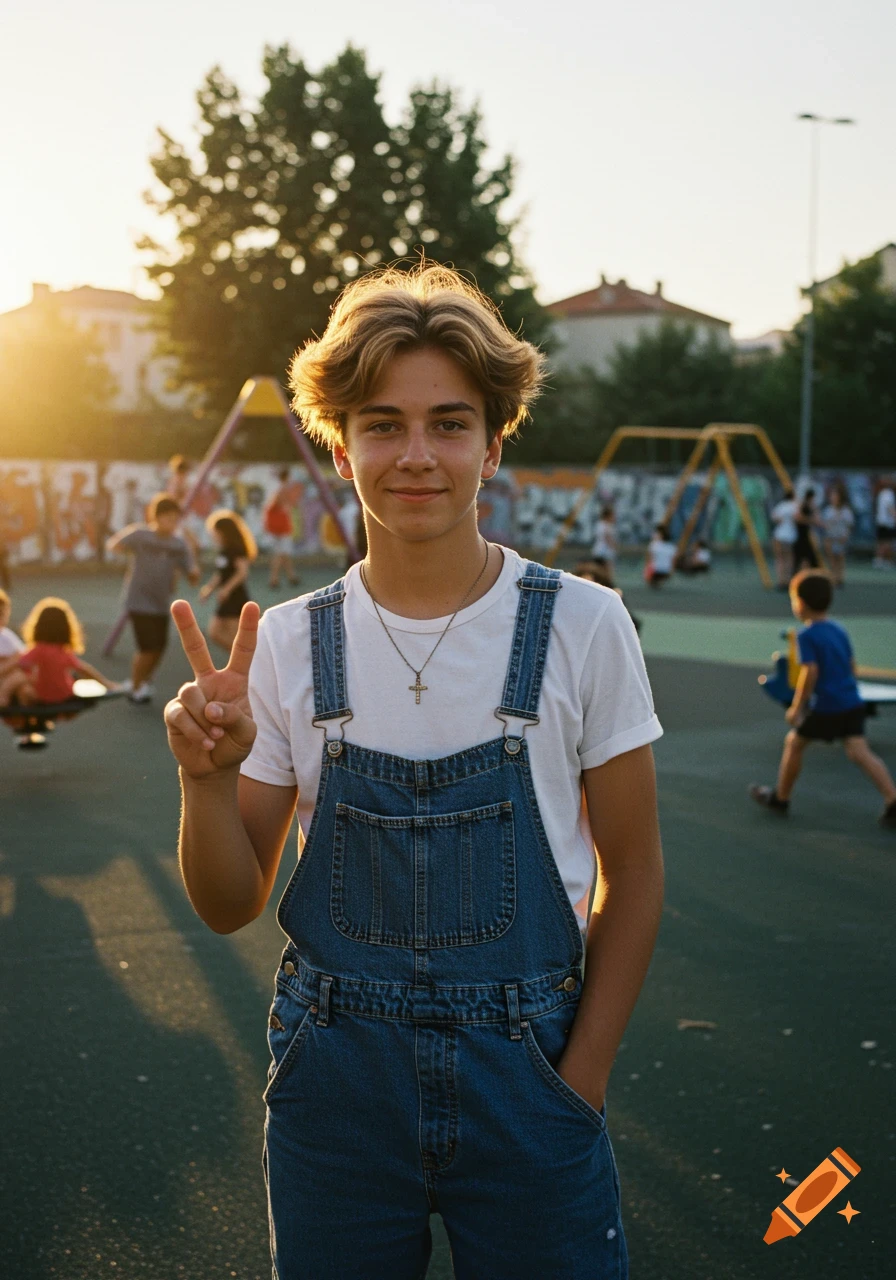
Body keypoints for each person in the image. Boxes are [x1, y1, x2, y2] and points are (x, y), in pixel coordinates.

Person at [163, 263, 664, 1279]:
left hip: (531, 1083)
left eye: (449, 422)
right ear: (339, 441)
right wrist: (204, 781)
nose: (417, 455)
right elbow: (226, 903)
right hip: (335, 1087)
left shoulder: (580, 621)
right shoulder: (294, 645)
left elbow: (636, 872)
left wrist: (582, 1079)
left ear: (492, 438)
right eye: (383, 424)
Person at [750, 569, 896, 828]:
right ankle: (893, 800)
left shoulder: (806, 635)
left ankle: (781, 798)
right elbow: (852, 666)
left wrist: (798, 706)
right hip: (851, 702)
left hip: (828, 706)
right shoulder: (838, 629)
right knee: (859, 752)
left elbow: (810, 671)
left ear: (801, 604)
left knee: (795, 743)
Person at [106, 494, 199, 704]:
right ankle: (136, 687)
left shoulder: (178, 544)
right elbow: (114, 545)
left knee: (159, 647)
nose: (172, 523)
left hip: (161, 603)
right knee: (147, 648)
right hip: (138, 601)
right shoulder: (140, 535)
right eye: (168, 518)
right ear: (156, 517)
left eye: (176, 519)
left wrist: (193, 570)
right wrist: (124, 552)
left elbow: (191, 574)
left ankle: (143, 681)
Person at [0, 598, 119, 713]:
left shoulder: (39, 650)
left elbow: (21, 664)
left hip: (43, 695)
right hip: (65, 694)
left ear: (38, 627)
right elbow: (83, 669)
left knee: (18, 679)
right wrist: (106, 683)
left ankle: (3, 698)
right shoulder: (63, 651)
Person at [199, 510, 257, 653]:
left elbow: (242, 572)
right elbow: (221, 574)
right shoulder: (224, 550)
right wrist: (209, 589)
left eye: (216, 531)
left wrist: (227, 589)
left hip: (236, 598)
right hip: (226, 599)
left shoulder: (236, 549)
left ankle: (246, 663)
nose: (214, 535)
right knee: (215, 632)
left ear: (224, 532)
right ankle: (243, 662)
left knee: (235, 636)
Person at [264, 467, 301, 590]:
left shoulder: (276, 488)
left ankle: (291, 577)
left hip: (278, 527)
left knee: (284, 554)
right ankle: (274, 579)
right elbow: (283, 505)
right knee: (281, 554)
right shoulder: (283, 489)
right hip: (282, 528)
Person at [167, 455, 205, 561]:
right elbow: (174, 499)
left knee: (190, 540)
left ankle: (191, 560)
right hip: (180, 515)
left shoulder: (181, 482)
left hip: (184, 515)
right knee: (188, 540)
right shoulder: (176, 482)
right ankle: (190, 562)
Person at [821, 485, 854, 587]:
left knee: (840, 559)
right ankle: (833, 578)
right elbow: (824, 525)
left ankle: (840, 578)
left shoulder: (846, 511)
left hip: (841, 539)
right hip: (831, 538)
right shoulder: (828, 510)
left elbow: (849, 525)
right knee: (832, 560)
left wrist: (845, 536)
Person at [770, 488, 799, 589]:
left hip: (779, 534)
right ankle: (788, 580)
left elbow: (775, 517)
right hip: (790, 535)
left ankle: (781, 580)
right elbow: (797, 518)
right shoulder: (795, 506)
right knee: (789, 558)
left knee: (779, 558)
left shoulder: (781, 505)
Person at [792, 487, 821, 572]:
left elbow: (817, 520)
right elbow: (798, 518)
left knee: (811, 560)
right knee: (800, 559)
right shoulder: (803, 506)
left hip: (806, 536)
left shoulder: (810, 507)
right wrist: (810, 520)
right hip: (802, 536)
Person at [873, 476, 896, 569]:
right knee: (886, 543)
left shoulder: (882, 493)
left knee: (882, 542)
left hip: (881, 522)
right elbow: (890, 508)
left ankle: (880, 560)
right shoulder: (888, 493)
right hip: (886, 523)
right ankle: (881, 560)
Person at [591, 504, 617, 569]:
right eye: (612, 515)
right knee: (607, 572)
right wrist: (615, 547)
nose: (614, 517)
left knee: (598, 571)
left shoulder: (599, 524)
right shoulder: (607, 526)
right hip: (605, 553)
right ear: (607, 516)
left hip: (597, 551)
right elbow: (607, 538)